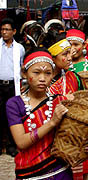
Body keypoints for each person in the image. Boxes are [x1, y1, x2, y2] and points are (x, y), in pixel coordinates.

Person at [6, 47, 73, 179]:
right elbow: (21, 142)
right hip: (29, 173)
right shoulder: (14, 104)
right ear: (24, 73)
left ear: (53, 74)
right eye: (36, 72)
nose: (42, 78)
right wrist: (52, 122)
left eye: (48, 73)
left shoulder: (60, 101)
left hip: (60, 171)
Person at [66, 29, 88, 180]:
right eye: (69, 45)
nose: (72, 48)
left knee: (84, 164)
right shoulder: (62, 66)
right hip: (67, 119)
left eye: (76, 44)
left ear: (84, 45)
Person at [0, 18, 25, 157]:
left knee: (11, 115)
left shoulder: (19, 48)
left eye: (7, 29)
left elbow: (21, 68)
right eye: (2, 29)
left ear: (14, 31)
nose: (4, 32)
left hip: (11, 86)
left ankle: (10, 146)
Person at [41, 31, 78, 98]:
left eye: (69, 53)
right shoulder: (39, 80)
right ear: (52, 58)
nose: (69, 58)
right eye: (65, 54)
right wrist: (64, 99)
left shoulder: (71, 77)